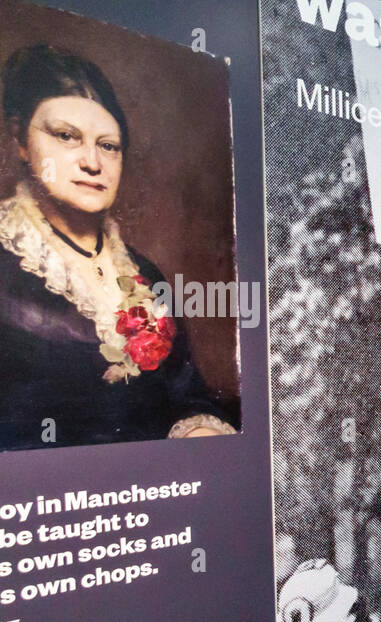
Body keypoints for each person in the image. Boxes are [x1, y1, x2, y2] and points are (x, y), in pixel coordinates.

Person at [0, 44, 235, 451]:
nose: (92, 162)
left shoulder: (145, 273)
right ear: (20, 139)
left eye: (108, 145)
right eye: (66, 136)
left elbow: (185, 392)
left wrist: (199, 431)